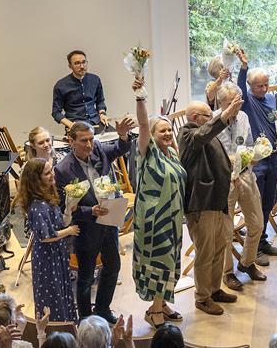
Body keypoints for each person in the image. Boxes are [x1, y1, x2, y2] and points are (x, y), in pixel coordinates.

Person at [55, 118, 134, 323]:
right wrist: (91, 210)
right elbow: (66, 208)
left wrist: (123, 135)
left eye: (91, 139)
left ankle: (102, 309)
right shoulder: (63, 169)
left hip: (109, 221)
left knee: (113, 266)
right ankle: (85, 317)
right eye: (83, 141)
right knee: (86, 277)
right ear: (71, 141)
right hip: (86, 228)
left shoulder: (98, 148)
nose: (89, 145)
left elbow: (119, 148)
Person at [178, 98, 243, 316]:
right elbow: (202, 136)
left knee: (219, 248)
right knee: (205, 253)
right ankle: (202, 298)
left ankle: (215, 290)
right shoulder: (188, 134)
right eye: (209, 115)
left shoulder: (205, 131)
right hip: (202, 203)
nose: (213, 118)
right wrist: (223, 116)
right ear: (196, 118)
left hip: (217, 201)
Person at [130, 76, 186, 328]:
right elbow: (142, 124)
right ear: (151, 135)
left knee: (171, 261)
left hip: (172, 218)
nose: (167, 133)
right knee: (158, 262)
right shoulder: (147, 152)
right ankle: (154, 311)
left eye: (169, 129)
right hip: (153, 220)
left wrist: (171, 141)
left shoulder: (172, 152)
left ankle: (162, 304)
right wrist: (140, 96)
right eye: (161, 130)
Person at [214, 82, 267, 289]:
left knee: (257, 224)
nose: (235, 107)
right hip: (224, 179)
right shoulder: (213, 121)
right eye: (230, 103)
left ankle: (246, 263)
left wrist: (256, 155)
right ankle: (227, 272)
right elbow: (213, 155)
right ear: (220, 104)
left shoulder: (243, 117)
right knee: (225, 231)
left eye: (237, 102)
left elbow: (249, 145)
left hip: (246, 175)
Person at [16, 159, 78, 322]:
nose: (52, 175)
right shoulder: (37, 206)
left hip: (55, 253)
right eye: (47, 173)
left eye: (51, 171)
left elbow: (56, 225)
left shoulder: (47, 197)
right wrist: (70, 231)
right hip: (47, 258)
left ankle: (66, 324)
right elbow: (46, 237)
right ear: (36, 179)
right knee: (52, 295)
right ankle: (54, 330)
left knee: (61, 289)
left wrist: (68, 211)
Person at [236, 49, 277, 257]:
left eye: (266, 84)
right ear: (250, 86)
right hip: (256, 160)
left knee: (269, 200)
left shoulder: (271, 99)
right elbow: (239, 88)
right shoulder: (246, 100)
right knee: (256, 203)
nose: (263, 89)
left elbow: (275, 120)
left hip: (272, 155)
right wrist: (244, 68)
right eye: (259, 85)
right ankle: (253, 249)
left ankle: (262, 241)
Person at [52, 50, 108, 131]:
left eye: (84, 62)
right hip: (76, 124)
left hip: (96, 121)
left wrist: (102, 114)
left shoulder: (95, 79)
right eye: (77, 63)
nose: (82, 66)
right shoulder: (60, 85)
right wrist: (70, 124)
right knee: (86, 142)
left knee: (115, 138)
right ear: (70, 66)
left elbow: (100, 101)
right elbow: (56, 113)